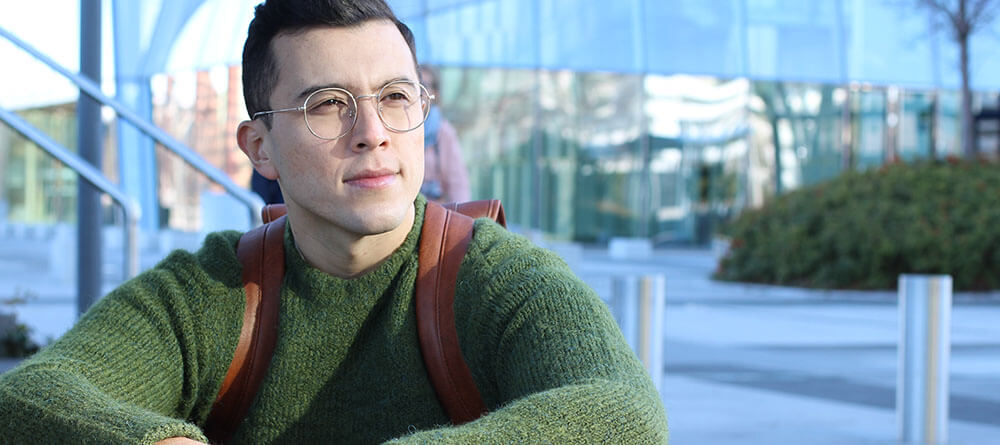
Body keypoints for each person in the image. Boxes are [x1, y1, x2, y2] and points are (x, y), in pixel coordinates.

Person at [0, 1, 669, 444]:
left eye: (396, 98)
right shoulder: (213, 290)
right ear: (259, 147)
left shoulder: (491, 274)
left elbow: (625, 411)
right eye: (327, 104)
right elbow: (32, 394)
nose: (372, 133)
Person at [418, 66, 470, 203]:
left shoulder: (444, 132)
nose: (419, 92)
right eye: (415, 85)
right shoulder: (398, 129)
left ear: (435, 94)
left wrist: (462, 219)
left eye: (424, 86)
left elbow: (458, 183)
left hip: (435, 215)